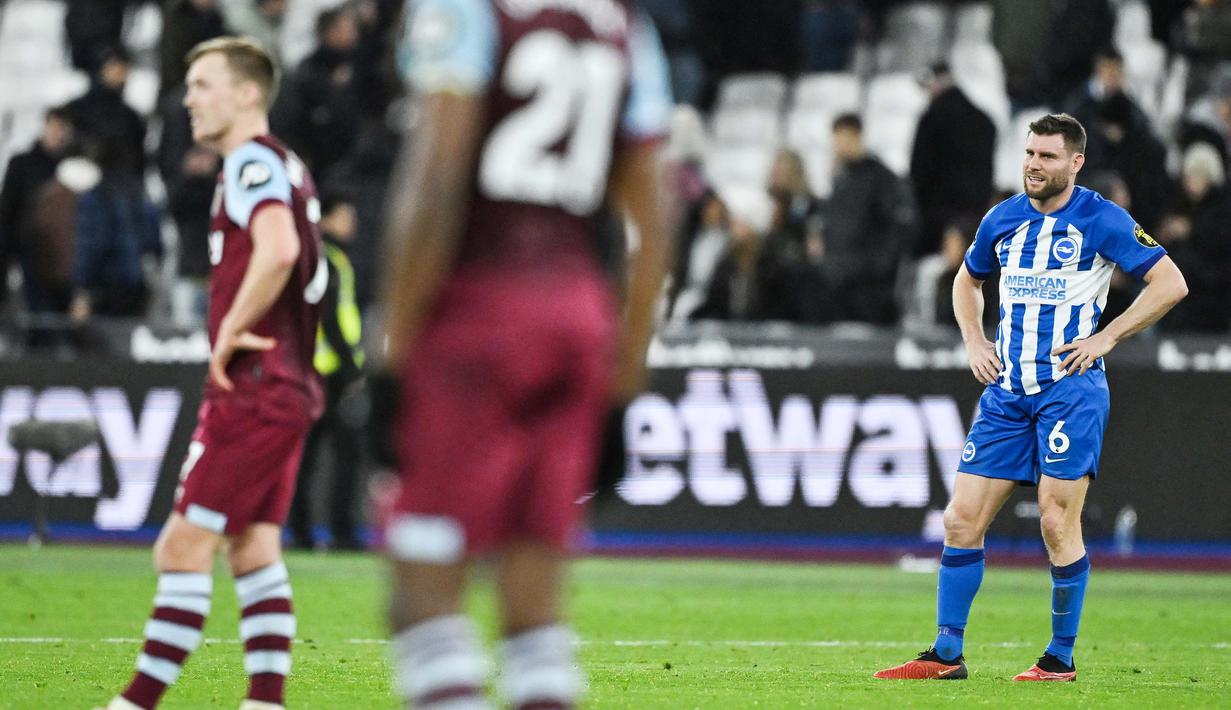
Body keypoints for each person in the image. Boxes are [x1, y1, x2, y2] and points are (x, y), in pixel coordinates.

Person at [373, 0, 673, 707]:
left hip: (479, 310)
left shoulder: (466, 8)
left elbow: (437, 178)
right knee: (535, 611)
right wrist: (624, 383)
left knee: (421, 593)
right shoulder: (626, 25)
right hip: (578, 314)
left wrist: (392, 354)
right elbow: (655, 218)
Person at [874, 113, 1187, 682]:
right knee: (960, 519)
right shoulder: (1003, 218)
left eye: (1047, 156)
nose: (1034, 165)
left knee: (1055, 520)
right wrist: (975, 340)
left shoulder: (1101, 218)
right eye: (1029, 154)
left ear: (1076, 162)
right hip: (1007, 391)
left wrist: (1107, 336)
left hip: (1069, 390)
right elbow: (966, 280)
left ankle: (1059, 657)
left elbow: (1170, 282)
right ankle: (946, 654)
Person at [99, 37, 325, 710]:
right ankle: (265, 702)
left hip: (255, 387)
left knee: (182, 546)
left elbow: (278, 249)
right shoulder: (286, 163)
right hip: (287, 384)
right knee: (252, 547)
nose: (189, 99)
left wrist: (229, 329)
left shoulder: (252, 161)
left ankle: (134, 704)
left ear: (247, 93)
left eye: (202, 84)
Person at [288, 193, 365, 550]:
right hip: (330, 374)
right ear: (328, 219)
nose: (352, 223)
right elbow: (331, 318)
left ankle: (301, 532)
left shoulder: (317, 257)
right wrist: (351, 367)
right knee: (344, 455)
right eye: (346, 215)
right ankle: (341, 532)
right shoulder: (328, 260)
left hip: (311, 371)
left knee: (307, 457)